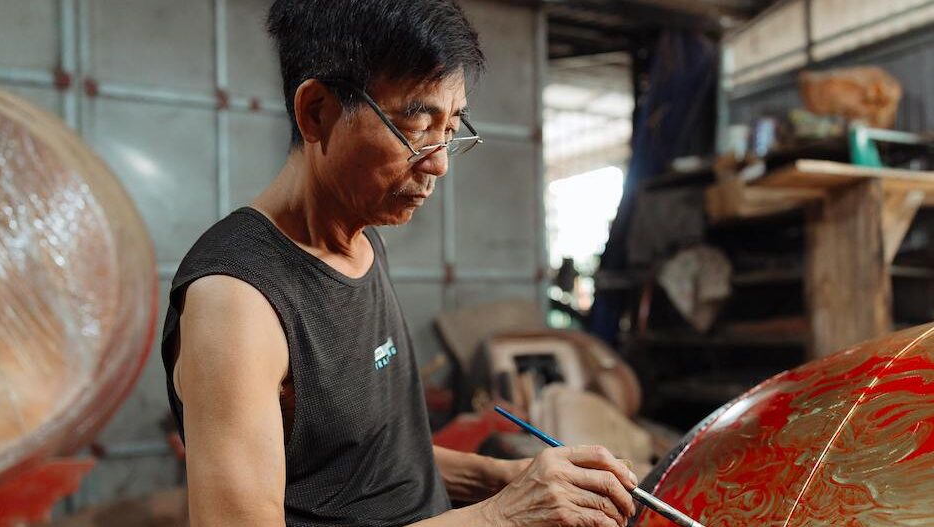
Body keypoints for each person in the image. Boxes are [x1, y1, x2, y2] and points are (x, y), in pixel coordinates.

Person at [160, 1, 638, 526]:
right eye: (416, 123)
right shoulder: (238, 303)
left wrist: (498, 477)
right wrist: (501, 516)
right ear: (317, 111)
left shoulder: (360, 236)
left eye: (451, 130)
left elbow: (361, 459)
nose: (437, 163)